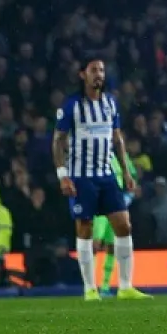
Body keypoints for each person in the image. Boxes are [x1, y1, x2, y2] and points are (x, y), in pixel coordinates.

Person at [53, 57, 150, 302]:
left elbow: (117, 139)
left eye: (102, 70)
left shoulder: (110, 103)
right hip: (81, 176)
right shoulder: (72, 105)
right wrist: (62, 175)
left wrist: (127, 172)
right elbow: (58, 141)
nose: (99, 74)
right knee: (84, 229)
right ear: (82, 75)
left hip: (106, 176)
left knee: (124, 225)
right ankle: (90, 289)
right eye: (94, 70)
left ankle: (126, 286)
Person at [95, 151, 138, 295]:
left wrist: (129, 196)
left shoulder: (121, 155)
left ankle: (105, 287)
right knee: (95, 243)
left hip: (115, 205)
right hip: (99, 205)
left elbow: (133, 175)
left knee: (112, 246)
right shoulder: (94, 153)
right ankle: (90, 286)